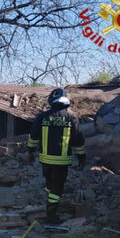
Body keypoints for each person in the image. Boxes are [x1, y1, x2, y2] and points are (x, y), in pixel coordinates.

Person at [26, 88, 86, 224]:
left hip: (45, 159)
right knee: (57, 187)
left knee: (49, 184)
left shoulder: (42, 117)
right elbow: (78, 140)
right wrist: (81, 158)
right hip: (62, 161)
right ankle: (51, 215)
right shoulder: (71, 118)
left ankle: (51, 202)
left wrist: (30, 151)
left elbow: (33, 136)